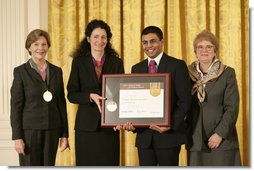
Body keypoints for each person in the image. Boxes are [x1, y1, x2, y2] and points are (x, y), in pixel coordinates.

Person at [119, 26, 191, 166]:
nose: (149, 46)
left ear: (162, 41)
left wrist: (169, 124)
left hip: (168, 137)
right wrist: (131, 123)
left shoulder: (177, 65)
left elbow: (185, 101)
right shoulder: (136, 68)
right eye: (145, 42)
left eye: (153, 41)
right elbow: (135, 101)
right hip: (145, 139)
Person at [67, 19, 124, 166]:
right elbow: (71, 94)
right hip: (86, 127)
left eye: (103, 37)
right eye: (96, 37)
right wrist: (89, 96)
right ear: (88, 39)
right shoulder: (78, 62)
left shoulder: (116, 62)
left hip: (110, 126)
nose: (100, 40)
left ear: (108, 39)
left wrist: (119, 119)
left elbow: (122, 94)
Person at [10, 29, 69, 166]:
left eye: (44, 44)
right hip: (29, 132)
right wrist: (17, 137)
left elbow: (61, 103)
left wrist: (64, 134)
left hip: (52, 129)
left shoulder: (56, 71)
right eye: (36, 44)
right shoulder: (20, 72)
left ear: (48, 47)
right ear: (29, 47)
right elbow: (16, 106)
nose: (40, 48)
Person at [186, 30, 242, 166]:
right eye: (200, 47)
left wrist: (220, 134)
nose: (204, 50)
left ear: (215, 50)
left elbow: (232, 108)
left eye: (209, 47)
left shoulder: (227, 73)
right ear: (195, 51)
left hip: (222, 141)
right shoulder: (186, 73)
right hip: (195, 140)